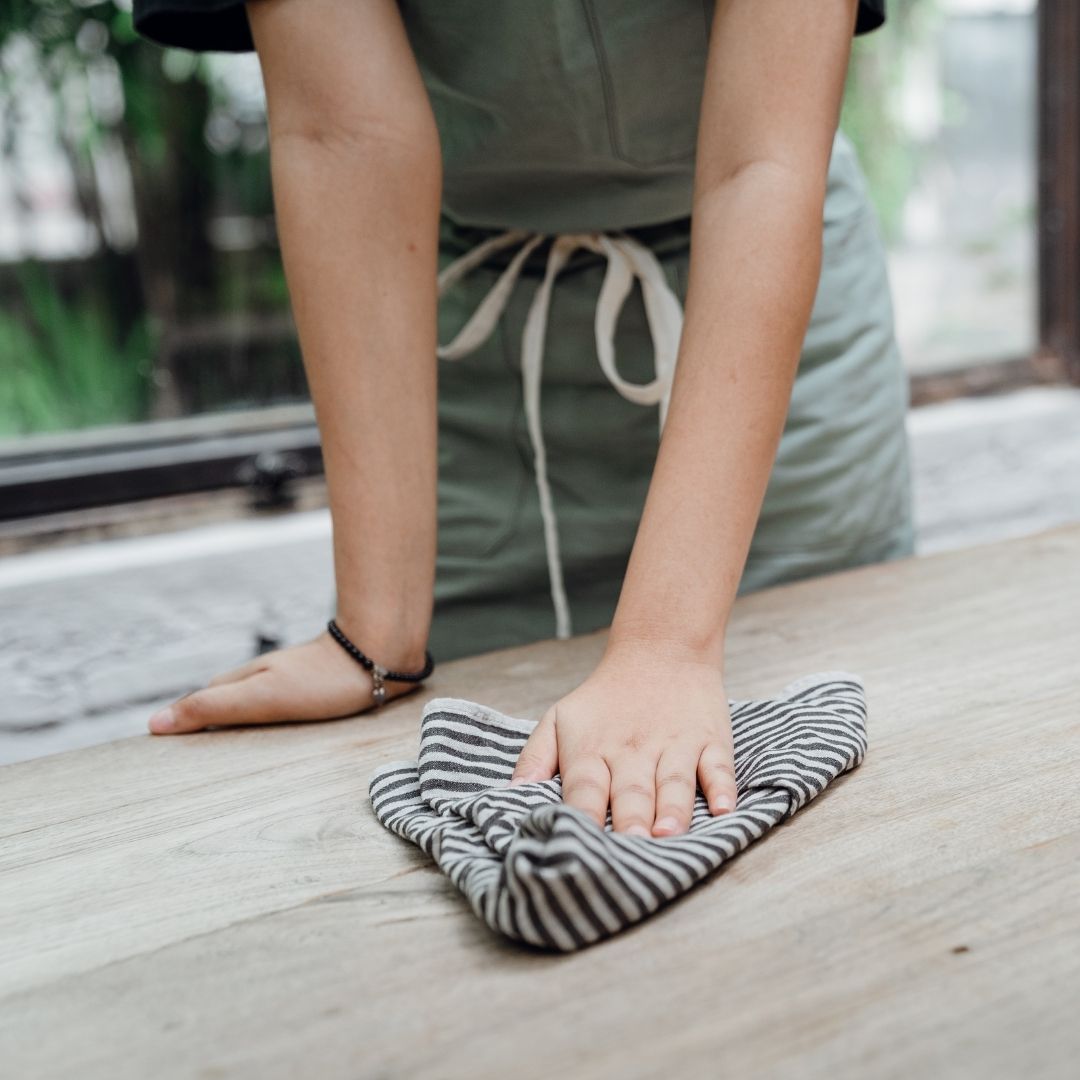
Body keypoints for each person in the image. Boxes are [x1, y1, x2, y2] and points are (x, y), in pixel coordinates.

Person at [132, 0, 913, 839]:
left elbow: (759, 165)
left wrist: (666, 647)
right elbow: (345, 138)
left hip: (763, 343)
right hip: (459, 357)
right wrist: (376, 637)